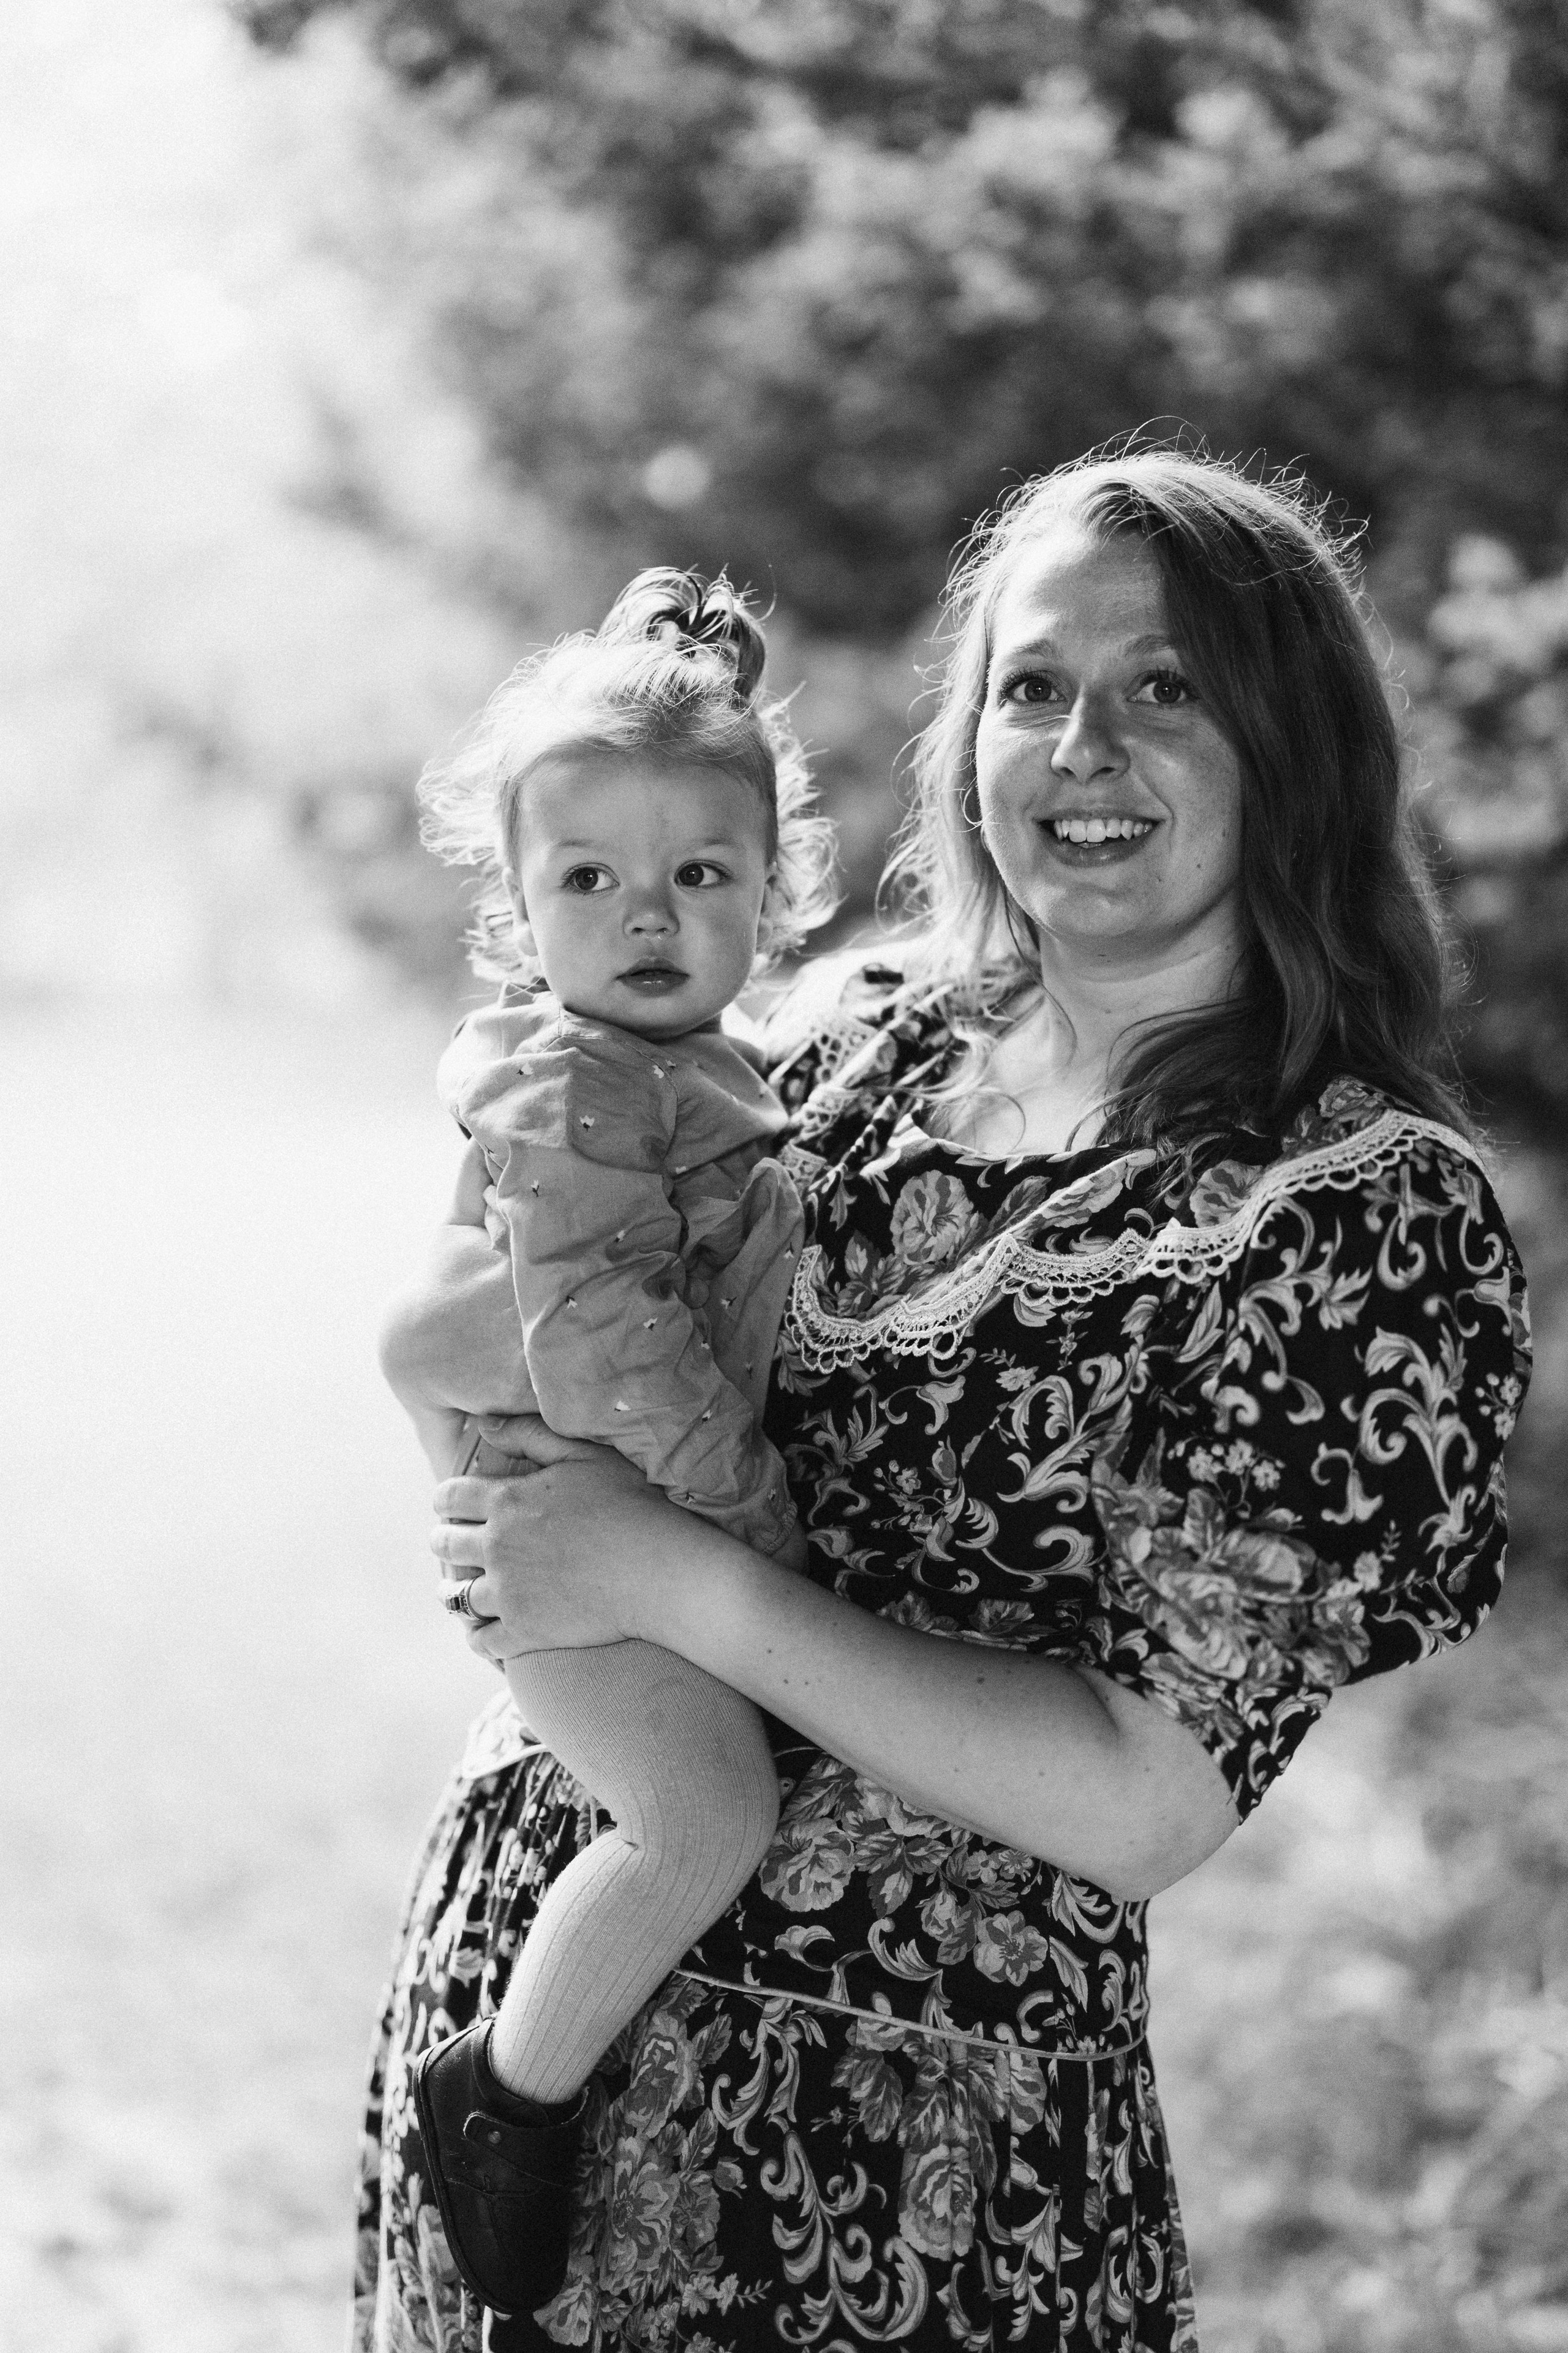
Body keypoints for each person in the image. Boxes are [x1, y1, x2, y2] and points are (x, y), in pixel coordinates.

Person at [354, 447, 1531, 2353]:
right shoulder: (841, 1034)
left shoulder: (1346, 1213)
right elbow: (470, 1299)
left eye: (1168, 689)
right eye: (1036, 684)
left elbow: (1146, 1800)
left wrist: (677, 1576)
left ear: (1290, 742)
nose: (1085, 744)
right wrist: (487, 1468)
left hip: (909, 2181)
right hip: (530, 2032)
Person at [375, 567, 837, 2321]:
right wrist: (760, 1529)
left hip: (614, 1519)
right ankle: (506, 2094)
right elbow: (607, 1343)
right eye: (589, 880)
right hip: (567, 1529)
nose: (646, 915)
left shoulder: (692, 1063)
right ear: (518, 905)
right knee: (699, 1812)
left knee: (714, 1783)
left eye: (698, 876)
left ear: (771, 894)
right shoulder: (576, 1087)